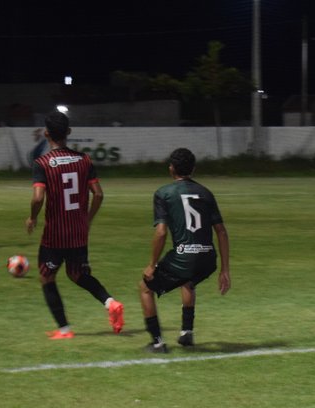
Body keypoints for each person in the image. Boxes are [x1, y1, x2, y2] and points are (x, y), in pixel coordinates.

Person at [26, 111, 124, 339]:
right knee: (77, 273)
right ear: (68, 132)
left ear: (46, 133)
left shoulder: (42, 163)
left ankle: (64, 330)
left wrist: (32, 217)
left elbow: (38, 198)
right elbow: (98, 194)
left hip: (55, 235)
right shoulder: (84, 160)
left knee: (47, 277)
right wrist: (87, 219)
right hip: (78, 232)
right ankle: (110, 303)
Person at [139, 147, 230, 353]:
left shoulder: (163, 193)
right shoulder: (206, 193)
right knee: (188, 281)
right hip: (208, 259)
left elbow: (161, 232)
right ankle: (186, 332)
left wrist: (152, 264)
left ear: (171, 168)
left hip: (184, 257)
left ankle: (157, 342)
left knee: (145, 287)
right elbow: (222, 232)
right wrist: (225, 270)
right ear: (193, 169)